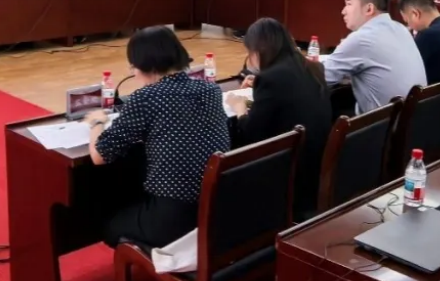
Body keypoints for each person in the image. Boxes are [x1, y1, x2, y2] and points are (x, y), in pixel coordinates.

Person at [88, 27, 230, 248]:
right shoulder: (210, 90)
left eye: (133, 66)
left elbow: (99, 155)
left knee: (110, 224)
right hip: (217, 207)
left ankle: (161, 262)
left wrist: (96, 123)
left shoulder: (145, 98)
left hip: (174, 218)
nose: (133, 72)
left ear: (145, 65)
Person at [227, 18, 333, 218]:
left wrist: (240, 108)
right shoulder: (313, 68)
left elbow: (250, 134)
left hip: (289, 172)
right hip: (316, 165)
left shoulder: (270, 79)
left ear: (258, 50)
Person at [323, 0, 427, 113]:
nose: (343, 11)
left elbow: (320, 77)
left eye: (348, 4)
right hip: (414, 119)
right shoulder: (401, 29)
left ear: (369, 9)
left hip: (383, 124)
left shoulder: (362, 39)